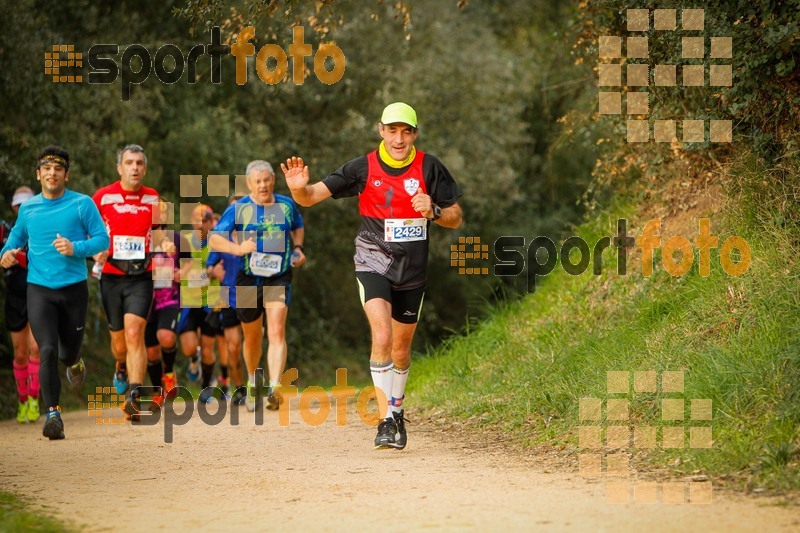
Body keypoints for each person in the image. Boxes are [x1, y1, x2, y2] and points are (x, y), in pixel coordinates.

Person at [281, 102, 463, 450]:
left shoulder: (430, 167)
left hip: (412, 271)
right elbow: (311, 197)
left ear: (414, 135)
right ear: (381, 130)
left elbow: (455, 216)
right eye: (392, 130)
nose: (398, 138)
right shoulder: (362, 167)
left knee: (401, 347)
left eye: (405, 131)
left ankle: (396, 408)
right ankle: (385, 421)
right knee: (381, 335)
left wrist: (435, 210)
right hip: (372, 262)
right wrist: (297, 189)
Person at [0, 146, 109, 439]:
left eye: (58, 169)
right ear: (38, 174)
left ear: (66, 175)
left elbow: (102, 239)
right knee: (46, 348)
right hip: (39, 291)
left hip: (73, 290)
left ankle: (75, 360)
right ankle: (53, 416)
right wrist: (6, 254)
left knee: (67, 353)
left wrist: (76, 248)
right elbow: (13, 241)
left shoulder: (82, 204)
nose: (52, 173)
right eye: (46, 169)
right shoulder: (28, 209)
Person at [209, 160, 305, 412]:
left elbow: (298, 225)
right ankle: (253, 382)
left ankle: (274, 387)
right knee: (251, 337)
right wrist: (237, 248)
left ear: (273, 180)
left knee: (276, 329)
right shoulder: (240, 208)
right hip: (249, 277)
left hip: (278, 275)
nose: (263, 185)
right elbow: (214, 239)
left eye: (267, 180)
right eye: (257, 181)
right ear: (249, 184)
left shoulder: (285, 204)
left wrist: (298, 248)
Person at [93, 144, 160, 420]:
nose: (135, 168)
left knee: (135, 333)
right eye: (130, 163)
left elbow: (161, 236)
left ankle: (134, 396)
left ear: (145, 168)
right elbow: (87, 231)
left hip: (142, 276)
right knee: (119, 343)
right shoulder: (102, 197)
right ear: (119, 167)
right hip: (111, 276)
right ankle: (120, 364)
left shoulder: (154, 199)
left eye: (140, 163)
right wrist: (94, 249)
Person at [144, 198, 190, 407]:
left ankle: (169, 373)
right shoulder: (141, 239)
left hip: (169, 297)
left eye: (163, 212)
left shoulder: (177, 239)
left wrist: (182, 272)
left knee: (166, 337)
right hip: (144, 299)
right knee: (151, 351)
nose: (159, 215)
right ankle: (157, 391)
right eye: (155, 211)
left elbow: (190, 262)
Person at [1, 186, 42, 423]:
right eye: (19, 205)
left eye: (27, 204)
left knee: (36, 347)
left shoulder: (41, 228)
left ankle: (35, 400)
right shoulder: (5, 231)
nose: (22, 208)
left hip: (38, 293)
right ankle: (23, 401)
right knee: (20, 353)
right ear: (14, 207)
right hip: (15, 298)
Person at [207, 193, 248, 405]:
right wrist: (213, 271)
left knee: (253, 341)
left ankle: (255, 385)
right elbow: (208, 268)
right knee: (233, 347)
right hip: (228, 296)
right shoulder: (219, 240)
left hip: (253, 294)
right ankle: (240, 388)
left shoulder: (255, 236)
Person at [176, 204, 220, 402]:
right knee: (188, 347)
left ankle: (206, 389)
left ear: (211, 223)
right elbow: (177, 273)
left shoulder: (219, 243)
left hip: (211, 301)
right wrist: (208, 273)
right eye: (196, 219)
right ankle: (194, 359)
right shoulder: (183, 242)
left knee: (209, 348)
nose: (200, 224)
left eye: (204, 220)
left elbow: (223, 270)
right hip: (188, 301)